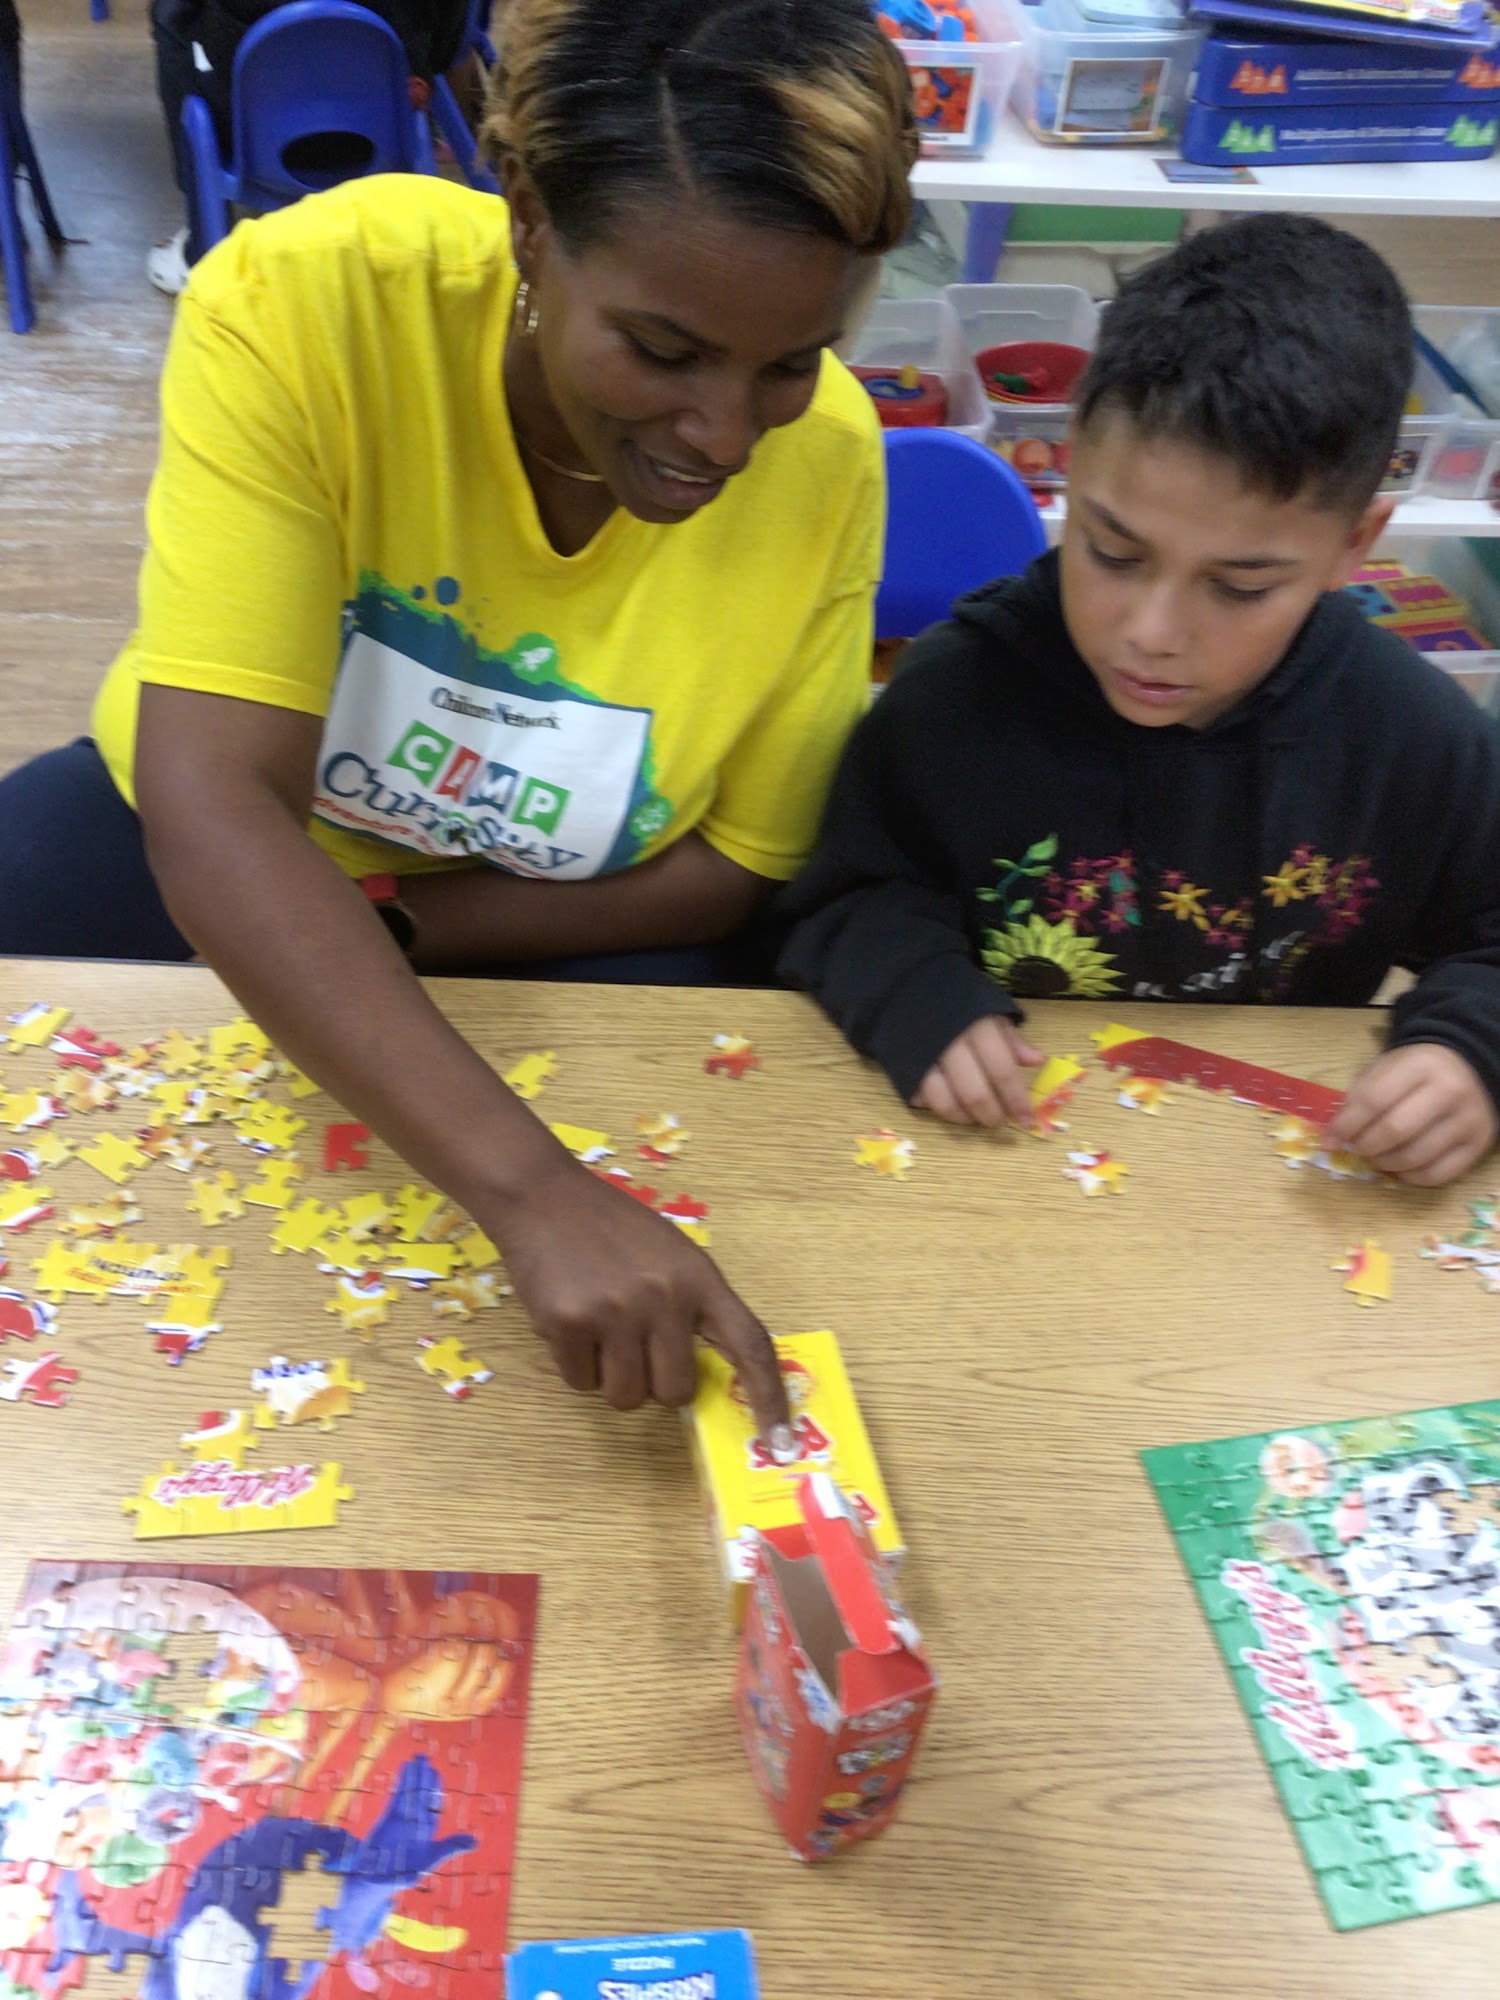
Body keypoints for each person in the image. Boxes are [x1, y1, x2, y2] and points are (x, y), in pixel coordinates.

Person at [0, 0, 917, 1435]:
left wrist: (404, 928)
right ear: (530, 222)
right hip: (222, 849)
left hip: (577, 913)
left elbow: (739, 865)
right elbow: (213, 798)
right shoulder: (307, 299)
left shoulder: (833, 462)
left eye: (792, 362)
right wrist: (535, 1191)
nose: (728, 436)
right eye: (663, 350)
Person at [780, 212, 1500, 1192]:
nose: (1152, 632)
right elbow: (847, 896)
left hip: (1265, 1189)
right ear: (1073, 458)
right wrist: (914, 993)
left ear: (1355, 544)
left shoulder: (1412, 738)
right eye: (1114, 553)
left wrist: (1470, 1052)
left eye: (1239, 587)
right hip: (1000, 1165)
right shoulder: (951, 697)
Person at [146, 0, 473, 294]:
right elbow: (448, 40)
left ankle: (202, 241)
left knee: (170, 15)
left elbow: (179, 17)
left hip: (251, 134)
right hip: (387, 127)